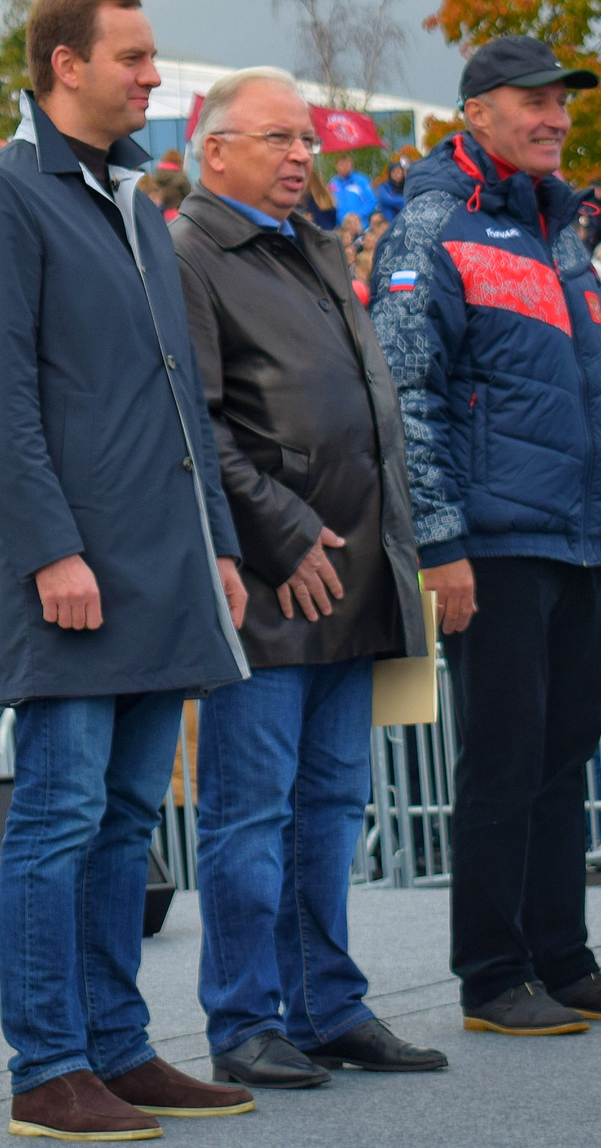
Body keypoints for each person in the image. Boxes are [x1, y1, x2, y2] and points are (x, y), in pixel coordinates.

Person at [0, 0, 254, 1137]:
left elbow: (183, 409)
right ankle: (47, 1065)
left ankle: (117, 1048)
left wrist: (216, 545)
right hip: (69, 575)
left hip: (159, 569)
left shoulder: (133, 205)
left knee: (126, 820)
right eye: (132, 57)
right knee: (60, 817)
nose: (151, 77)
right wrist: (49, 551)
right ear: (64, 65)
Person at [371, 34, 601, 1034]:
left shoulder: (561, 233)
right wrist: (442, 544)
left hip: (572, 535)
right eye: (530, 100)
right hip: (492, 543)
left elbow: (595, 397)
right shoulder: (427, 228)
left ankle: (562, 956)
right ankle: (492, 976)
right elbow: (405, 400)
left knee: (565, 746)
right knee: (502, 758)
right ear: (475, 113)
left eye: (560, 101)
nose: (553, 117)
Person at [168, 66, 443, 1088]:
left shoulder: (313, 243)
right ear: (216, 150)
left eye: (308, 141)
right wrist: (281, 532)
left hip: (357, 571)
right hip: (278, 582)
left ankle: (327, 1003)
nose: (300, 156)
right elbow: (192, 422)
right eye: (277, 139)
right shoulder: (189, 252)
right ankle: (242, 1021)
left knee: (331, 805)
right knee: (249, 814)